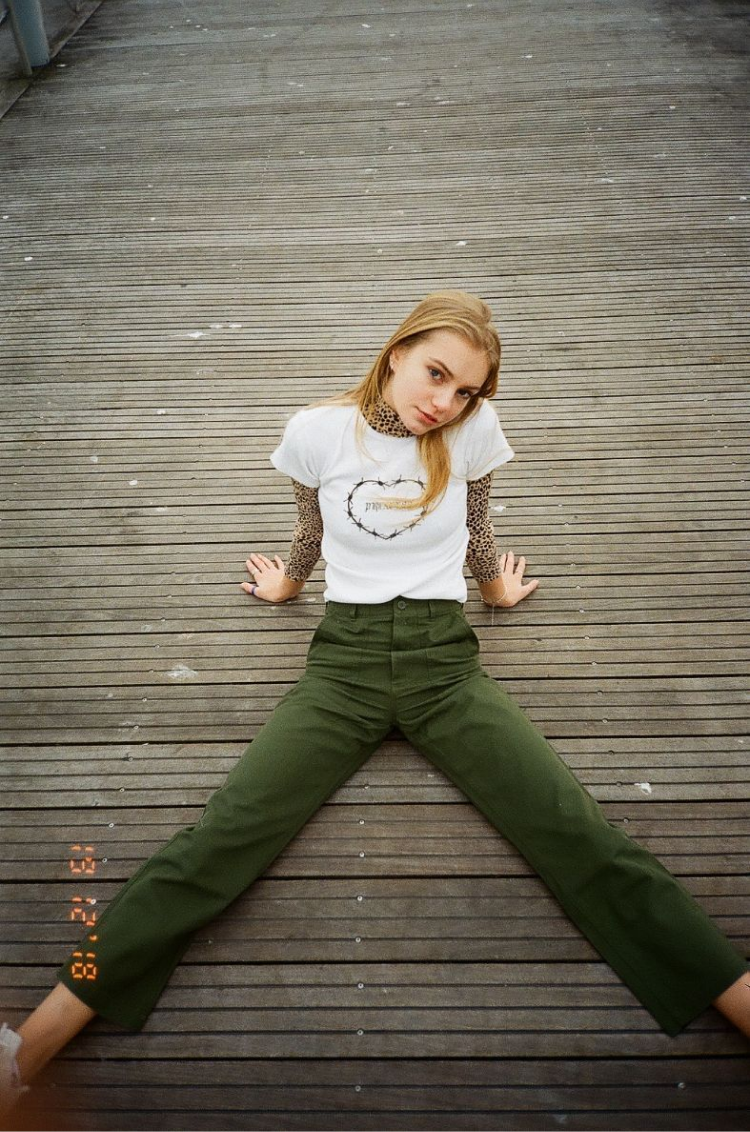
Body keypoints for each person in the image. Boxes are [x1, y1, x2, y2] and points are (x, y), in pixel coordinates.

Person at [2, 290, 748, 1116]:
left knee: (575, 831)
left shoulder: (470, 435)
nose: (445, 400)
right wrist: (286, 581)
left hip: (444, 669)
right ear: (395, 352)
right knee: (219, 841)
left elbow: (475, 527)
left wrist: (495, 589)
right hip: (344, 671)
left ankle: (735, 998)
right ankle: (28, 1049)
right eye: (436, 373)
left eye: (465, 389)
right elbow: (311, 532)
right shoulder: (318, 432)